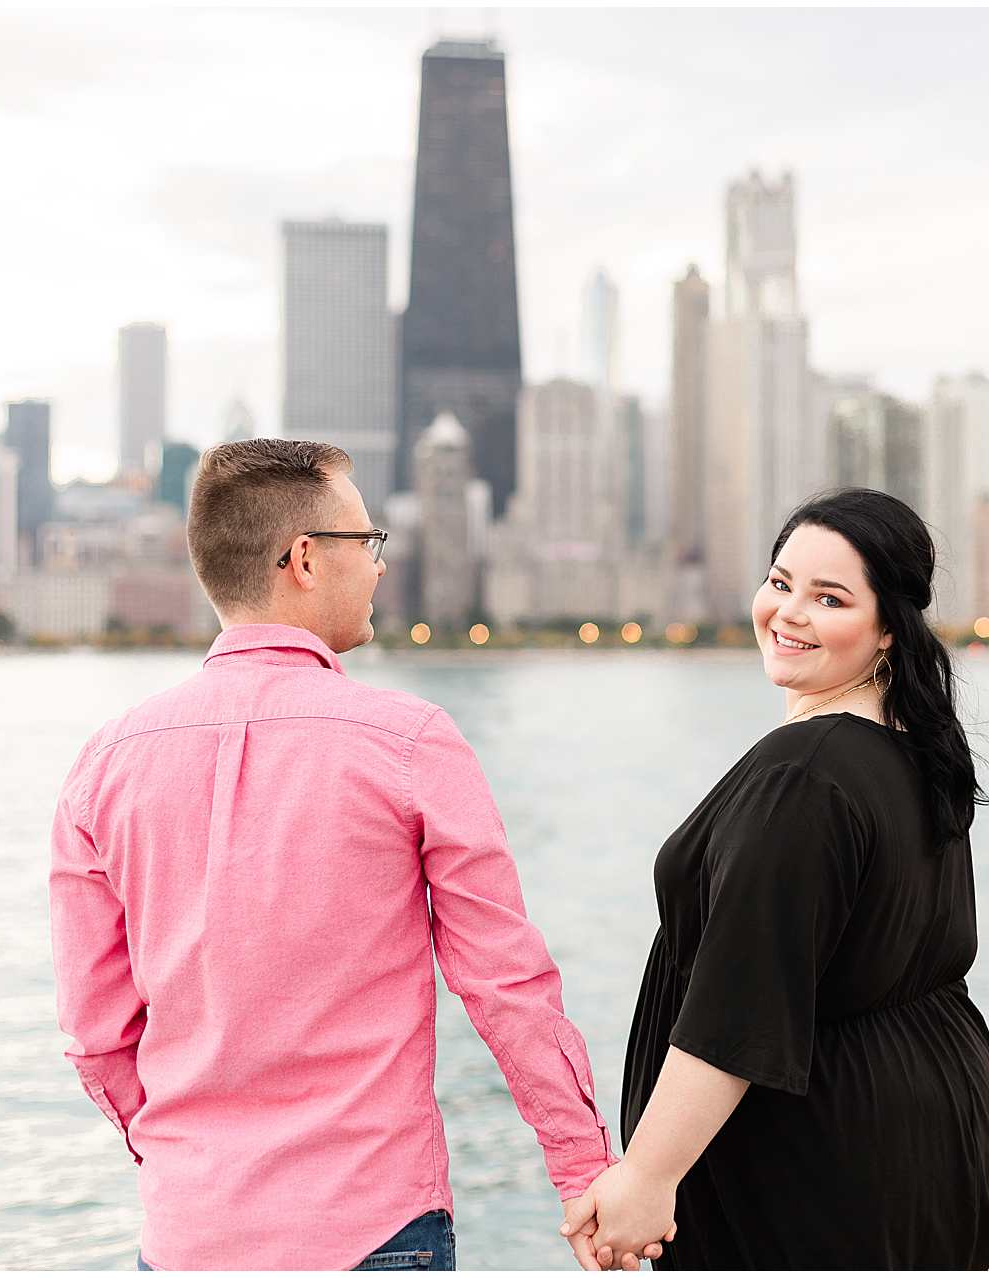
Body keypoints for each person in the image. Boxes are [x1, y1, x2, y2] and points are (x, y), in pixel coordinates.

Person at [49, 439, 660, 1271]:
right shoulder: (410, 745)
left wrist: (185, 1162)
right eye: (366, 544)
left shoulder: (104, 764)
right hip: (372, 1230)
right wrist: (585, 1172)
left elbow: (95, 1036)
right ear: (303, 559)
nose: (378, 567)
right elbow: (505, 984)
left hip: (188, 1236)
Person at [562, 487, 989, 1270]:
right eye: (780, 581)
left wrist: (648, 1178)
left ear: (889, 628)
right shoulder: (911, 752)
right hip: (922, 1132)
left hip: (813, 1156)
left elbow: (741, 1006)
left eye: (829, 598)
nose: (788, 612)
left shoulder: (806, 775)